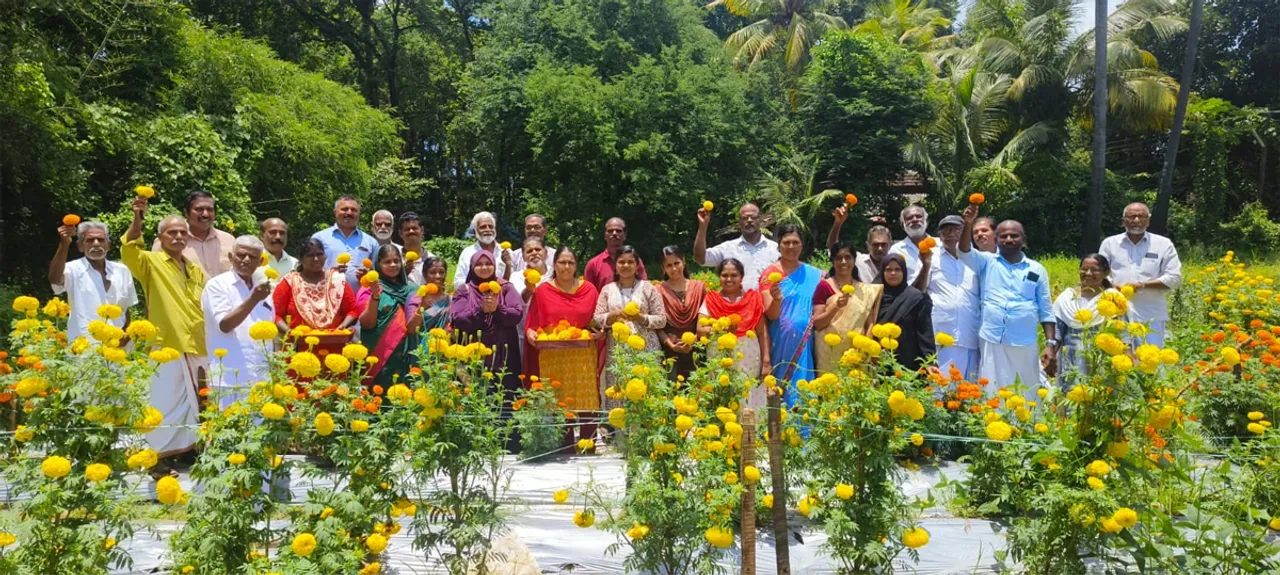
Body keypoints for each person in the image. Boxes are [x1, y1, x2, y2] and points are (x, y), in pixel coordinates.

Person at [121, 194, 207, 464]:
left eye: (183, 233)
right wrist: (138, 217)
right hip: (166, 346)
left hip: (197, 344)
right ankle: (157, 458)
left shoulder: (195, 269)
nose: (179, 237)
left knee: (197, 405)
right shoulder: (151, 262)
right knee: (164, 405)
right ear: (161, 238)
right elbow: (130, 248)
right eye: (172, 233)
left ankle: (189, 454)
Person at [958, 205, 1057, 400]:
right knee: (993, 390)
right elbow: (963, 251)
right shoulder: (987, 261)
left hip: (1024, 340)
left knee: (1027, 391)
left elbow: (1046, 311)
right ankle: (994, 427)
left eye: (1014, 236)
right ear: (996, 240)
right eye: (1003, 236)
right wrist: (968, 223)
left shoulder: (1037, 269)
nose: (1009, 240)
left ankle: (1026, 429)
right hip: (992, 338)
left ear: (1023, 239)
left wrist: (1050, 345)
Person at [524, 247, 603, 447]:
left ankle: (588, 444)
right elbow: (532, 322)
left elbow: (598, 321)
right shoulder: (543, 290)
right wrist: (530, 333)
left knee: (587, 397)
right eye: (562, 262)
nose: (566, 267)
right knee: (559, 398)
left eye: (570, 262)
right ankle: (564, 445)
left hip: (583, 353)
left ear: (576, 266)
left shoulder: (589, 290)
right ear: (554, 264)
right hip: (553, 354)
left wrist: (601, 332)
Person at [202, 236, 275, 407]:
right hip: (229, 378)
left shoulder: (264, 287)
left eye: (253, 257)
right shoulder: (217, 285)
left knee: (259, 433)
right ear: (230, 257)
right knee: (228, 431)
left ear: (260, 262)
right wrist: (253, 299)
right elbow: (225, 325)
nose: (246, 260)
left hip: (260, 379)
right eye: (241, 255)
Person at [1097, 202, 1182, 346]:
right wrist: (1113, 286)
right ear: (1123, 221)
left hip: (1151, 316)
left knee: (1150, 362)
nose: (1136, 220)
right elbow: (1100, 274)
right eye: (1131, 216)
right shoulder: (1110, 243)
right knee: (1119, 361)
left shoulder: (1163, 244)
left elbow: (1174, 278)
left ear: (1148, 221)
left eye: (1141, 216)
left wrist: (1142, 285)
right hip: (1117, 315)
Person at [594, 246, 666, 405]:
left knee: (648, 395)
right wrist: (612, 316)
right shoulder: (607, 290)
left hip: (647, 350)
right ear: (615, 265)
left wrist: (640, 318)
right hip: (618, 352)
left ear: (637, 265)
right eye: (621, 262)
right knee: (620, 395)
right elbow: (597, 318)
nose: (626, 265)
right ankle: (619, 431)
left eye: (630, 262)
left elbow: (661, 319)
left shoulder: (649, 288)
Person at [761, 225, 822, 406]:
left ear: (802, 245)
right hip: (780, 342)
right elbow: (771, 315)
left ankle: (803, 433)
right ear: (778, 246)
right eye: (786, 242)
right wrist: (777, 300)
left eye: (795, 242)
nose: (791, 246)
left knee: (803, 389)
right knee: (779, 391)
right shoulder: (770, 274)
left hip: (805, 344)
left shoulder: (815, 275)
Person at [451, 250, 525, 400]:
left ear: (494, 265)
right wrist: (480, 310)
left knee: (505, 400)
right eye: (479, 264)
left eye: (488, 264)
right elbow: (457, 319)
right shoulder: (464, 290)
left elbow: (517, 314)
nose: (484, 267)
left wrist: (498, 309)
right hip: (473, 357)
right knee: (475, 399)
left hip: (505, 355)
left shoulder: (505, 288)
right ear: (472, 267)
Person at [49, 220, 138, 343]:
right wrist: (64, 244)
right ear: (80, 245)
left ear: (109, 245)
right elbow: (55, 280)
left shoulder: (122, 270)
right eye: (90, 240)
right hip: (84, 348)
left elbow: (125, 308)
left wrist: (126, 335)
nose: (96, 244)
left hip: (118, 348)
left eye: (101, 240)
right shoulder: (72, 269)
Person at [700, 258, 770, 406]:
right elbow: (700, 329)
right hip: (720, 357)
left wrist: (766, 361)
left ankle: (749, 430)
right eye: (725, 275)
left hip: (749, 358)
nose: (729, 279)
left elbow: (762, 332)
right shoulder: (711, 299)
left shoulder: (753, 299)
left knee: (748, 397)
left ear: (742, 277)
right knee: (722, 396)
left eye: (734, 275)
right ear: (719, 277)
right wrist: (721, 328)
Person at [357, 244, 423, 387]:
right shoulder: (368, 289)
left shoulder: (412, 289)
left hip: (407, 353)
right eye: (387, 262)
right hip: (380, 355)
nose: (393, 265)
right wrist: (375, 297)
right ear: (378, 264)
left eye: (396, 261)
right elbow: (366, 324)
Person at [812, 242, 882, 374]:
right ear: (832, 261)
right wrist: (835, 307)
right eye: (838, 258)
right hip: (829, 355)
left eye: (848, 257)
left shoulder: (864, 290)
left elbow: (870, 323)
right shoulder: (824, 286)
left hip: (857, 354)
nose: (843, 262)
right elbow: (817, 324)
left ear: (854, 260)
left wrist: (866, 348)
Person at [928, 215, 983, 381]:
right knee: (942, 391)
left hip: (971, 335)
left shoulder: (979, 260)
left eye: (956, 229)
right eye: (945, 230)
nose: (950, 233)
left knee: (970, 393)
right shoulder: (931, 258)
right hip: (943, 336)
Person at [1054, 254, 1125, 380]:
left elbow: (1122, 333)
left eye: (1095, 270)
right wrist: (1051, 354)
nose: (1088, 273)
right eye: (1084, 269)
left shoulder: (1113, 298)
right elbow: (1057, 331)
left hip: (1101, 359)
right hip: (1071, 361)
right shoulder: (1066, 297)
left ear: (1105, 273)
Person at [273, 239, 360, 334]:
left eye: (319, 254)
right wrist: (289, 333)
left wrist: (343, 326)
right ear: (301, 259)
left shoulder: (337, 280)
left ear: (325, 256)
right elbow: (275, 314)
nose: (316, 259)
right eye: (310, 255)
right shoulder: (289, 282)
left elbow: (352, 311)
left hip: (334, 341)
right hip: (298, 345)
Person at [151, 190, 235, 279]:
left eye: (210, 209)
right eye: (199, 209)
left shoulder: (228, 240)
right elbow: (156, 272)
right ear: (186, 213)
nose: (205, 214)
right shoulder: (169, 240)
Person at [693, 202, 779, 290]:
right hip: (737, 303)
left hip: (767, 302)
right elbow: (700, 258)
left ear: (760, 220)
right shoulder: (728, 248)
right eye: (745, 218)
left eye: (753, 217)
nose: (749, 220)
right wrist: (703, 226)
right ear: (739, 222)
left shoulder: (775, 249)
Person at [876, 254, 936, 370]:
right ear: (882, 272)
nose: (893, 273)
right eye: (888, 269)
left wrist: (930, 363)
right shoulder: (875, 296)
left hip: (909, 361)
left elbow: (925, 331)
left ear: (904, 272)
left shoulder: (916, 298)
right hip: (880, 361)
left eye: (897, 269)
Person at [656, 246, 706, 380]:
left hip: (697, 350)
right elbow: (657, 326)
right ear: (663, 268)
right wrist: (671, 344)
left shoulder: (699, 287)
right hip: (670, 352)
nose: (673, 269)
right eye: (669, 265)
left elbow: (705, 318)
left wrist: (694, 340)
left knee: (698, 395)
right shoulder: (658, 291)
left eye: (676, 263)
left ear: (683, 261)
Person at [312, 195, 379, 290]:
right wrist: (330, 273)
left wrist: (367, 276)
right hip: (326, 298)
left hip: (360, 300)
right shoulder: (319, 238)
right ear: (335, 212)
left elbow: (379, 274)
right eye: (344, 209)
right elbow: (309, 269)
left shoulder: (371, 242)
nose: (349, 212)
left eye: (354, 210)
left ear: (359, 214)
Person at [827, 205, 891, 284]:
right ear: (867, 245)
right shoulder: (858, 260)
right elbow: (834, 248)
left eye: (884, 244)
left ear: (890, 245)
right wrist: (838, 223)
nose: (880, 248)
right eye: (875, 244)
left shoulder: (896, 265)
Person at [453, 211, 514, 290]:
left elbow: (514, 280)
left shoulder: (506, 252)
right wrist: (479, 289)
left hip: (503, 298)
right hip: (474, 299)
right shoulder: (468, 253)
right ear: (475, 231)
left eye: (491, 226)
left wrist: (508, 265)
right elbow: (458, 282)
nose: (488, 230)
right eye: (483, 227)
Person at [585, 218, 647, 289]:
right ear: (605, 235)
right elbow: (589, 293)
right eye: (610, 231)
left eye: (618, 231)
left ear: (625, 235)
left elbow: (644, 288)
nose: (614, 233)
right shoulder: (593, 264)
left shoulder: (635, 261)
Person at [511, 236, 551, 346]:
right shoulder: (516, 277)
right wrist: (528, 290)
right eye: (529, 251)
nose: (534, 253)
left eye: (538, 249)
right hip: (524, 336)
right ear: (524, 257)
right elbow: (516, 305)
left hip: (551, 336)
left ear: (546, 253)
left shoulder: (555, 274)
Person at [887, 204, 934, 291]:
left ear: (926, 220)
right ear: (903, 224)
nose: (915, 220)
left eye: (919, 216)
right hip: (911, 301)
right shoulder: (896, 250)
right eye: (909, 218)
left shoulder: (940, 245)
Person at [396, 212, 435, 284]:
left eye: (414, 228)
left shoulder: (432, 260)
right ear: (400, 233)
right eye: (407, 229)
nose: (411, 231)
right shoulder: (394, 259)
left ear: (422, 230)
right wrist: (403, 274)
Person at [417, 256, 451, 332]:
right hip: (420, 342)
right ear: (424, 275)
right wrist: (421, 307)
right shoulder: (415, 298)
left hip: (444, 342)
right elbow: (411, 329)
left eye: (441, 272)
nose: (438, 276)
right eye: (432, 272)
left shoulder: (450, 299)